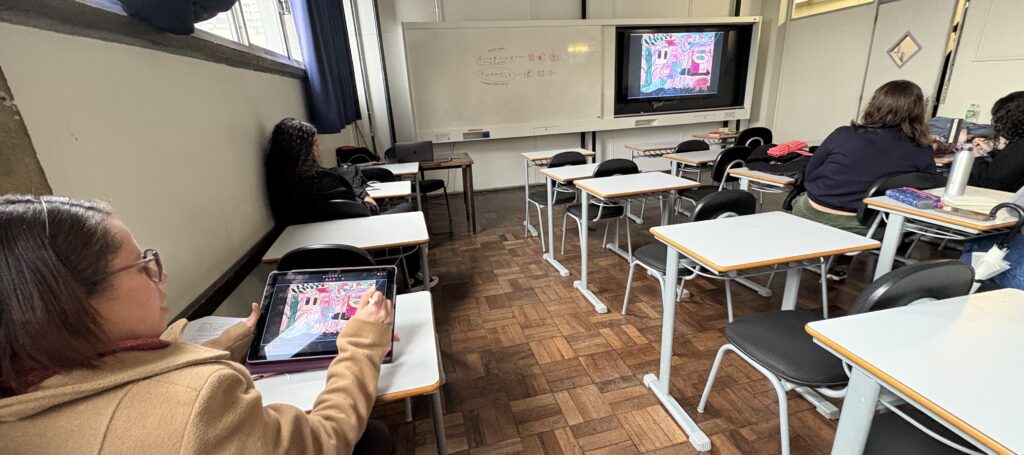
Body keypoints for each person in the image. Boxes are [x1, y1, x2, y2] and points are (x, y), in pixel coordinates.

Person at [0, 195, 394, 454]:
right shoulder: (199, 404)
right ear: (70, 300)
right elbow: (323, 440)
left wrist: (243, 334)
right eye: (142, 266)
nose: (162, 276)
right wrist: (363, 344)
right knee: (373, 436)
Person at [791, 80, 937, 280]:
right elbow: (927, 188)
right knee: (889, 219)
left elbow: (810, 173)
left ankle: (833, 262)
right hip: (863, 228)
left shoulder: (844, 134)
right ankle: (840, 264)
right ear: (918, 111)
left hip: (810, 214)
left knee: (801, 199)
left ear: (875, 104)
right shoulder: (921, 150)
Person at [265, 118, 435, 291]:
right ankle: (414, 278)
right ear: (306, 149)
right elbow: (363, 211)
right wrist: (365, 198)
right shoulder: (322, 181)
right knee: (408, 209)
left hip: (308, 257)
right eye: (315, 143)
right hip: (357, 249)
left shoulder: (278, 186)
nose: (318, 148)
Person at [968, 91, 1024, 192]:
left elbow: (990, 181)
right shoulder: (1019, 144)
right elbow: (1009, 166)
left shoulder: (1020, 145)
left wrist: (977, 157)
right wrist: (991, 151)